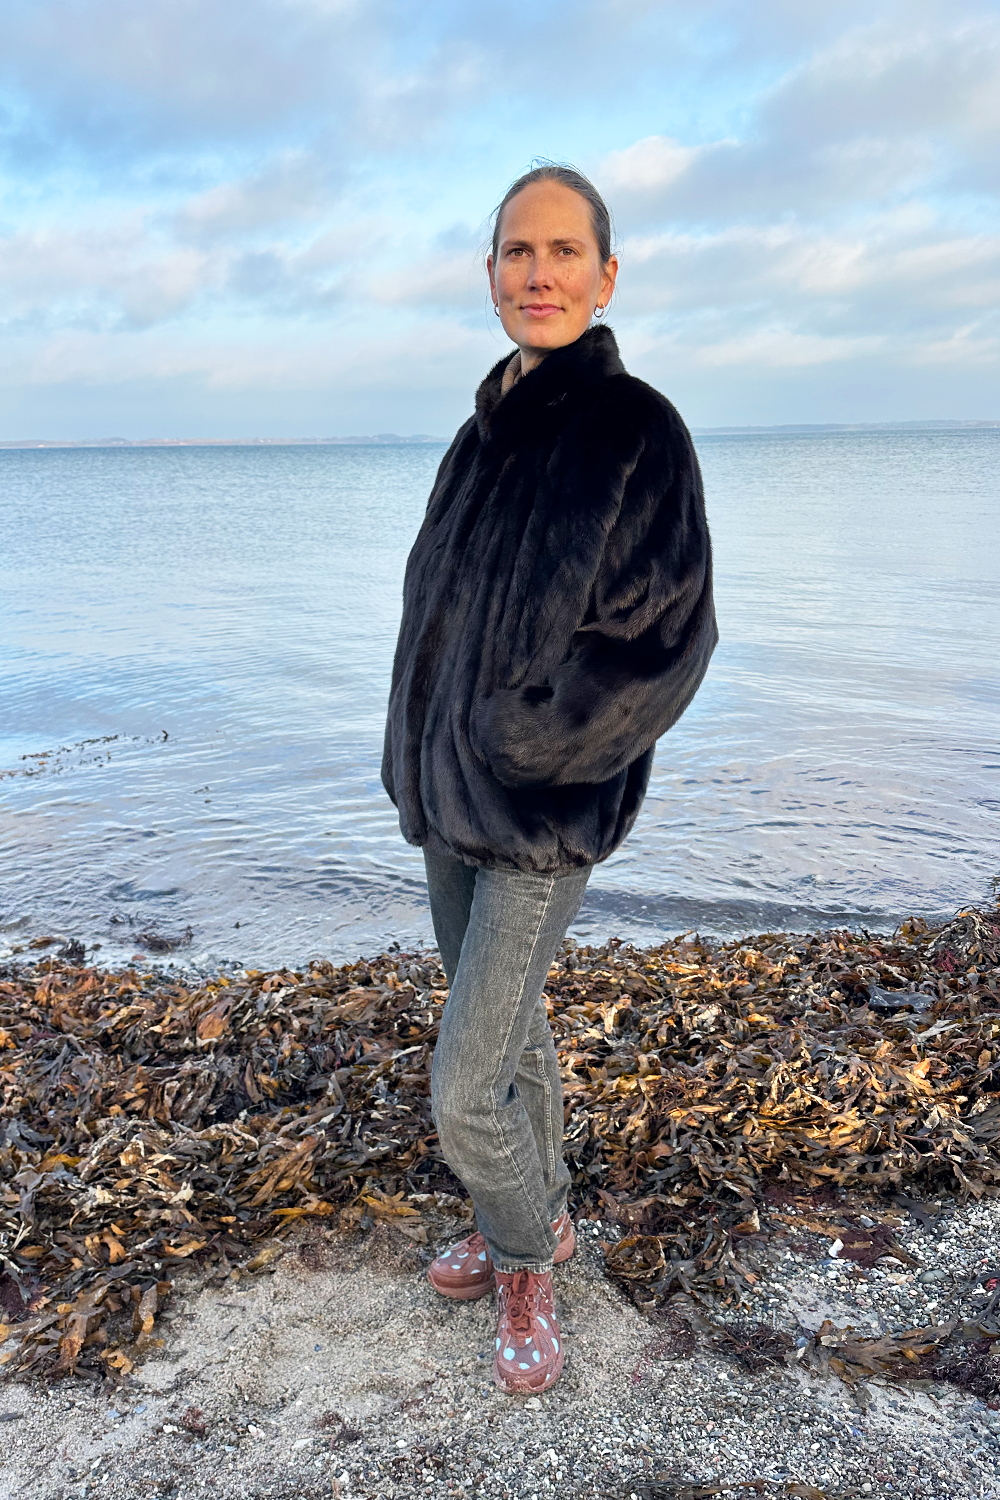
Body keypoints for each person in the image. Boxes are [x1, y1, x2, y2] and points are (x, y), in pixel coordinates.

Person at [382, 163, 717, 1394]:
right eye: (518, 252)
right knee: (512, 1033)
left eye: (563, 251)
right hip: (446, 800)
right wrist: (422, 749)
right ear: (490, 276)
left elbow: (666, 641)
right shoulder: (480, 438)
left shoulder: (634, 428)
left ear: (604, 275)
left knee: (462, 1086)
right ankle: (541, 1211)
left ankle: (527, 1258)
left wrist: (526, 748)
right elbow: (431, 615)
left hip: (539, 814)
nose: (539, 273)